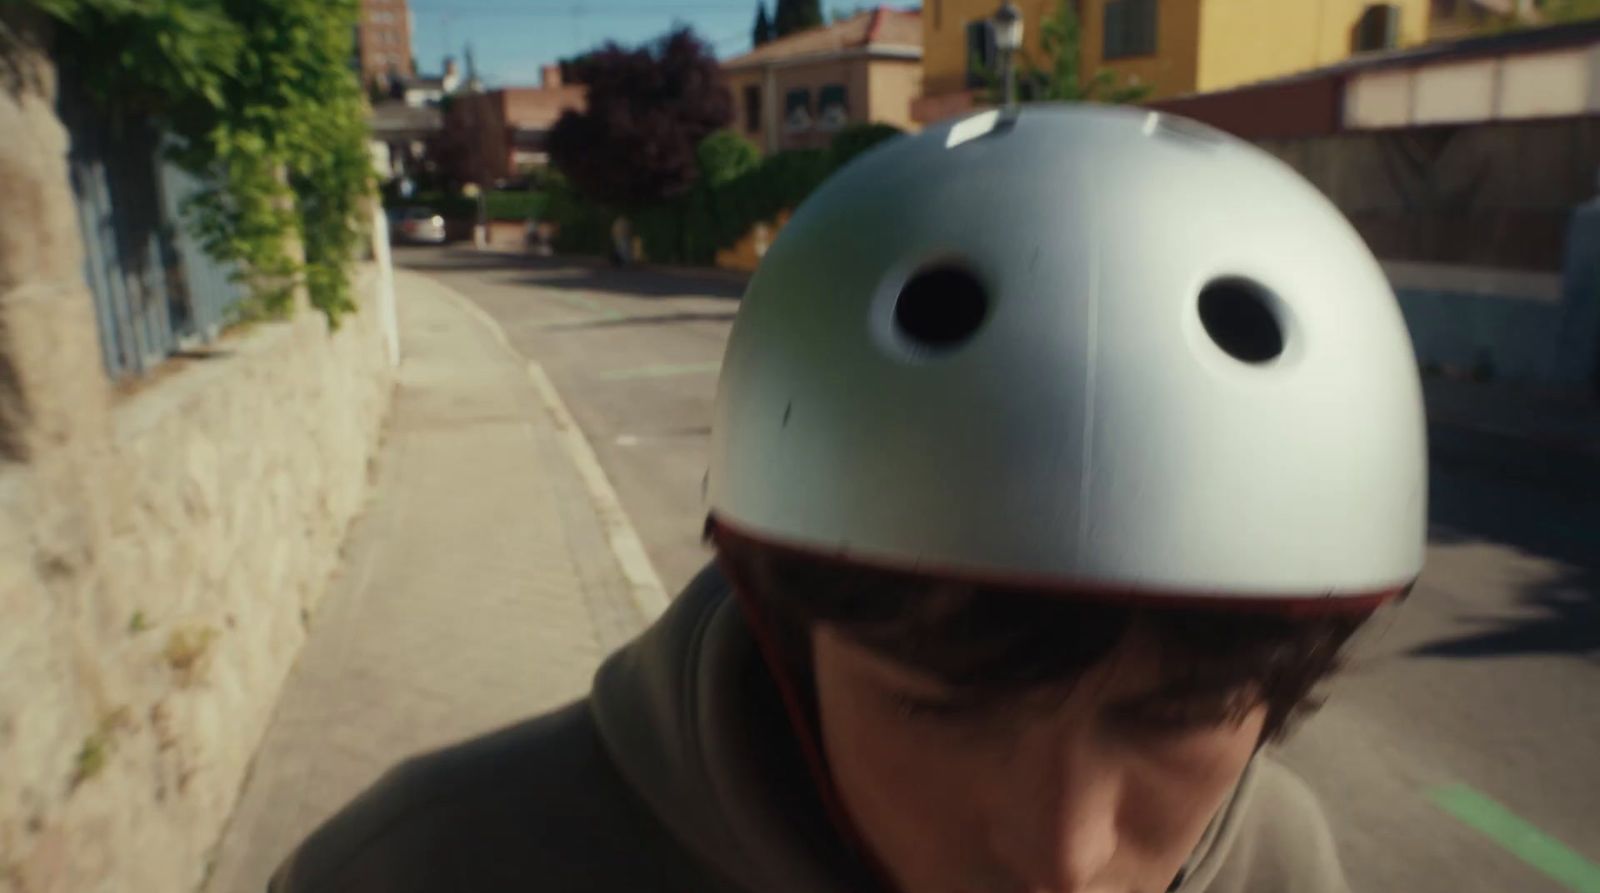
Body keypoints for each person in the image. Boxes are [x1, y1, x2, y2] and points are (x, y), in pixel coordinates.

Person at [270, 105, 1426, 893]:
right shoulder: (427, 867)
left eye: (1177, 713)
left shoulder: (1280, 862)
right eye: (942, 705)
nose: (1061, 854)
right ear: (779, 621)